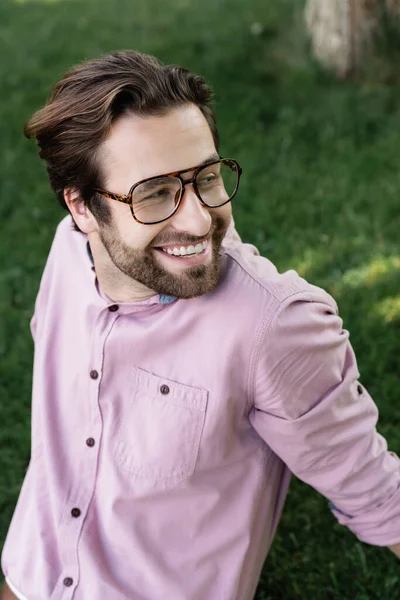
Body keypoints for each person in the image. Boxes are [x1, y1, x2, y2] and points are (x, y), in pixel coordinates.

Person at [1, 50, 399, 600]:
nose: (196, 218)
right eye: (155, 194)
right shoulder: (68, 255)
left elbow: (378, 494)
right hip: (29, 576)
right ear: (83, 209)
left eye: (206, 178)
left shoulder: (273, 325)